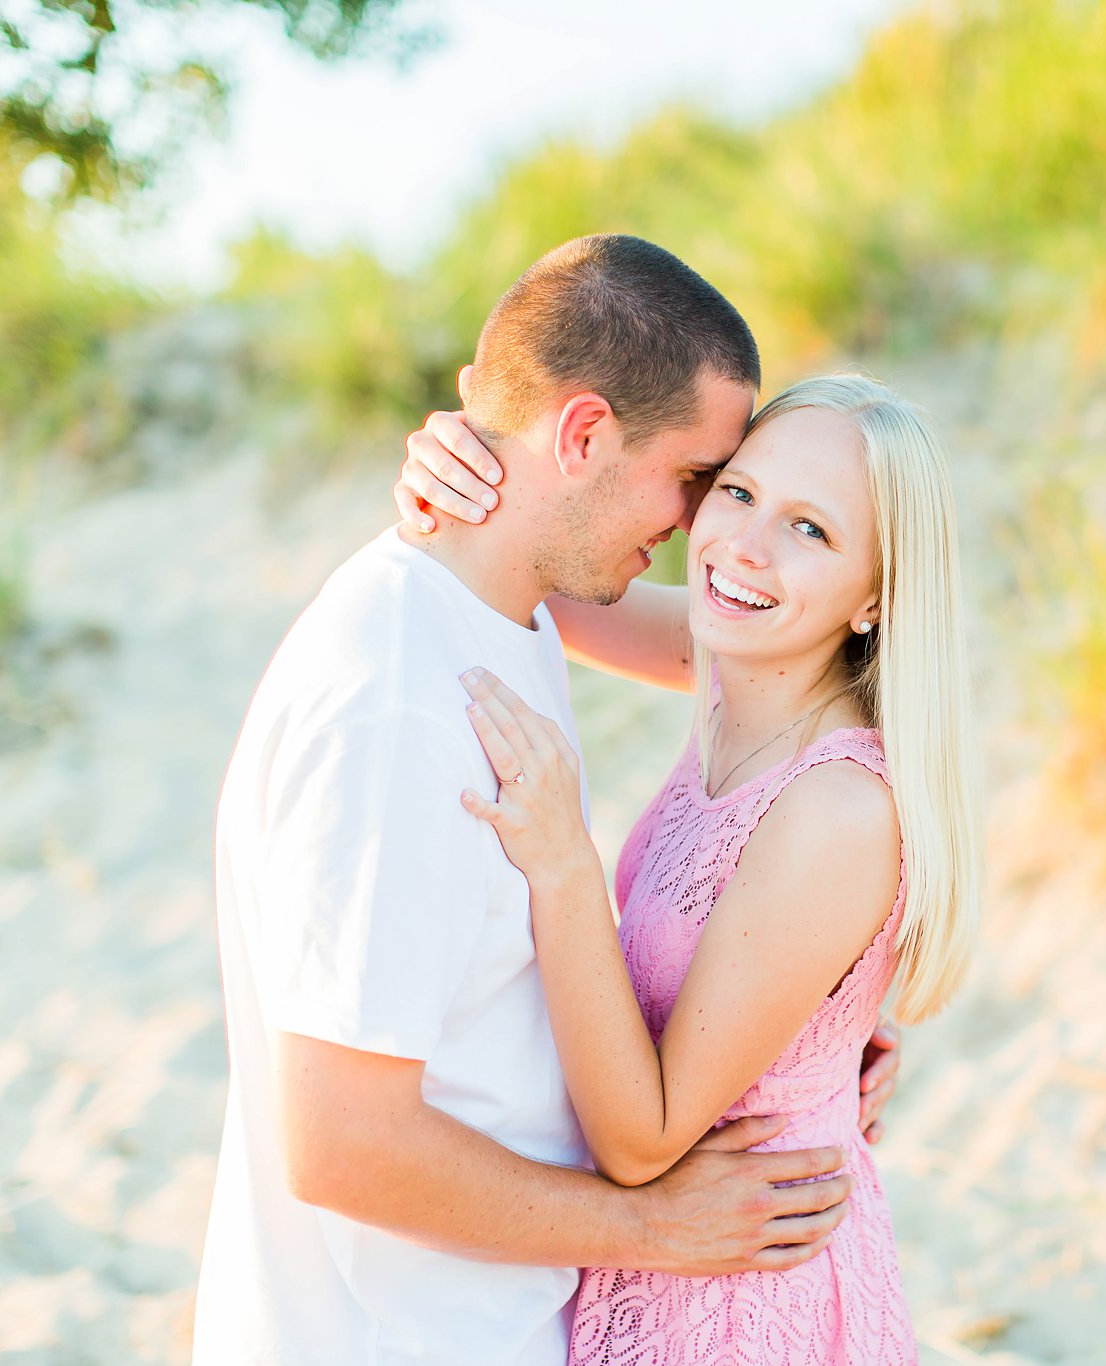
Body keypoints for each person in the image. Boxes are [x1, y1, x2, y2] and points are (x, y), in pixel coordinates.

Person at [196, 234, 900, 1366]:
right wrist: (649, 1227)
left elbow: (796, 700)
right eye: (703, 482)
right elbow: (337, 1143)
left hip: (513, 1316)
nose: (697, 527)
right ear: (581, 434)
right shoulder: (399, 710)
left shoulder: (521, 610)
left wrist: (817, 1023)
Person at [393, 372, 979, 1363]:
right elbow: (528, 561)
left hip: (742, 1298)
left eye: (813, 531)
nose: (746, 546)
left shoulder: (835, 808)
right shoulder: (730, 662)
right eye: (739, 493)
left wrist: (563, 864)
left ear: (874, 595)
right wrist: (456, 466)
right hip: (668, 1258)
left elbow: (642, 1137)